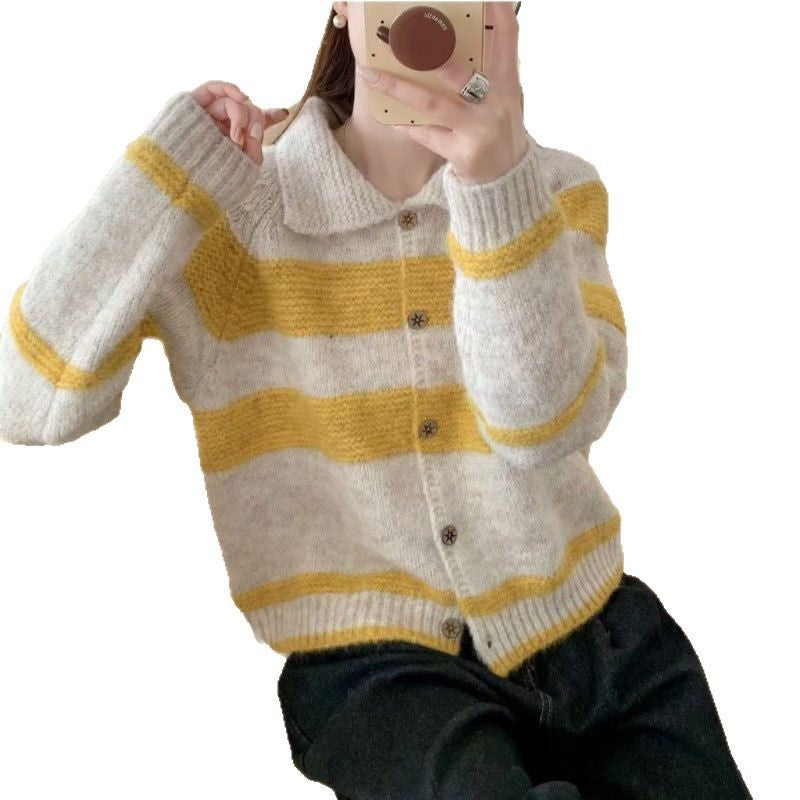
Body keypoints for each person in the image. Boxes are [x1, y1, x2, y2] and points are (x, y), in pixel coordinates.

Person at [0, 3, 752, 798]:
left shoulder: (558, 191)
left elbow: (540, 426)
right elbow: (27, 398)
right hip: (376, 678)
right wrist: (165, 173)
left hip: (603, 639)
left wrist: (496, 185)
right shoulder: (239, 212)